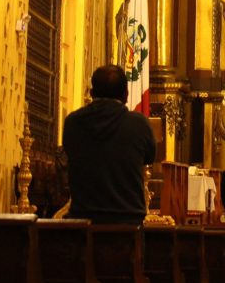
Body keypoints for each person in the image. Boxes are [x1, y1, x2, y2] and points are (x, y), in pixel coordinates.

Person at [63, 65, 157, 224]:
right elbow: (149, 157)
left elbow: (69, 151)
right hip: (128, 222)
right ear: (126, 95)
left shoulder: (73, 123)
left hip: (83, 222)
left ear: (91, 93)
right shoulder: (139, 125)